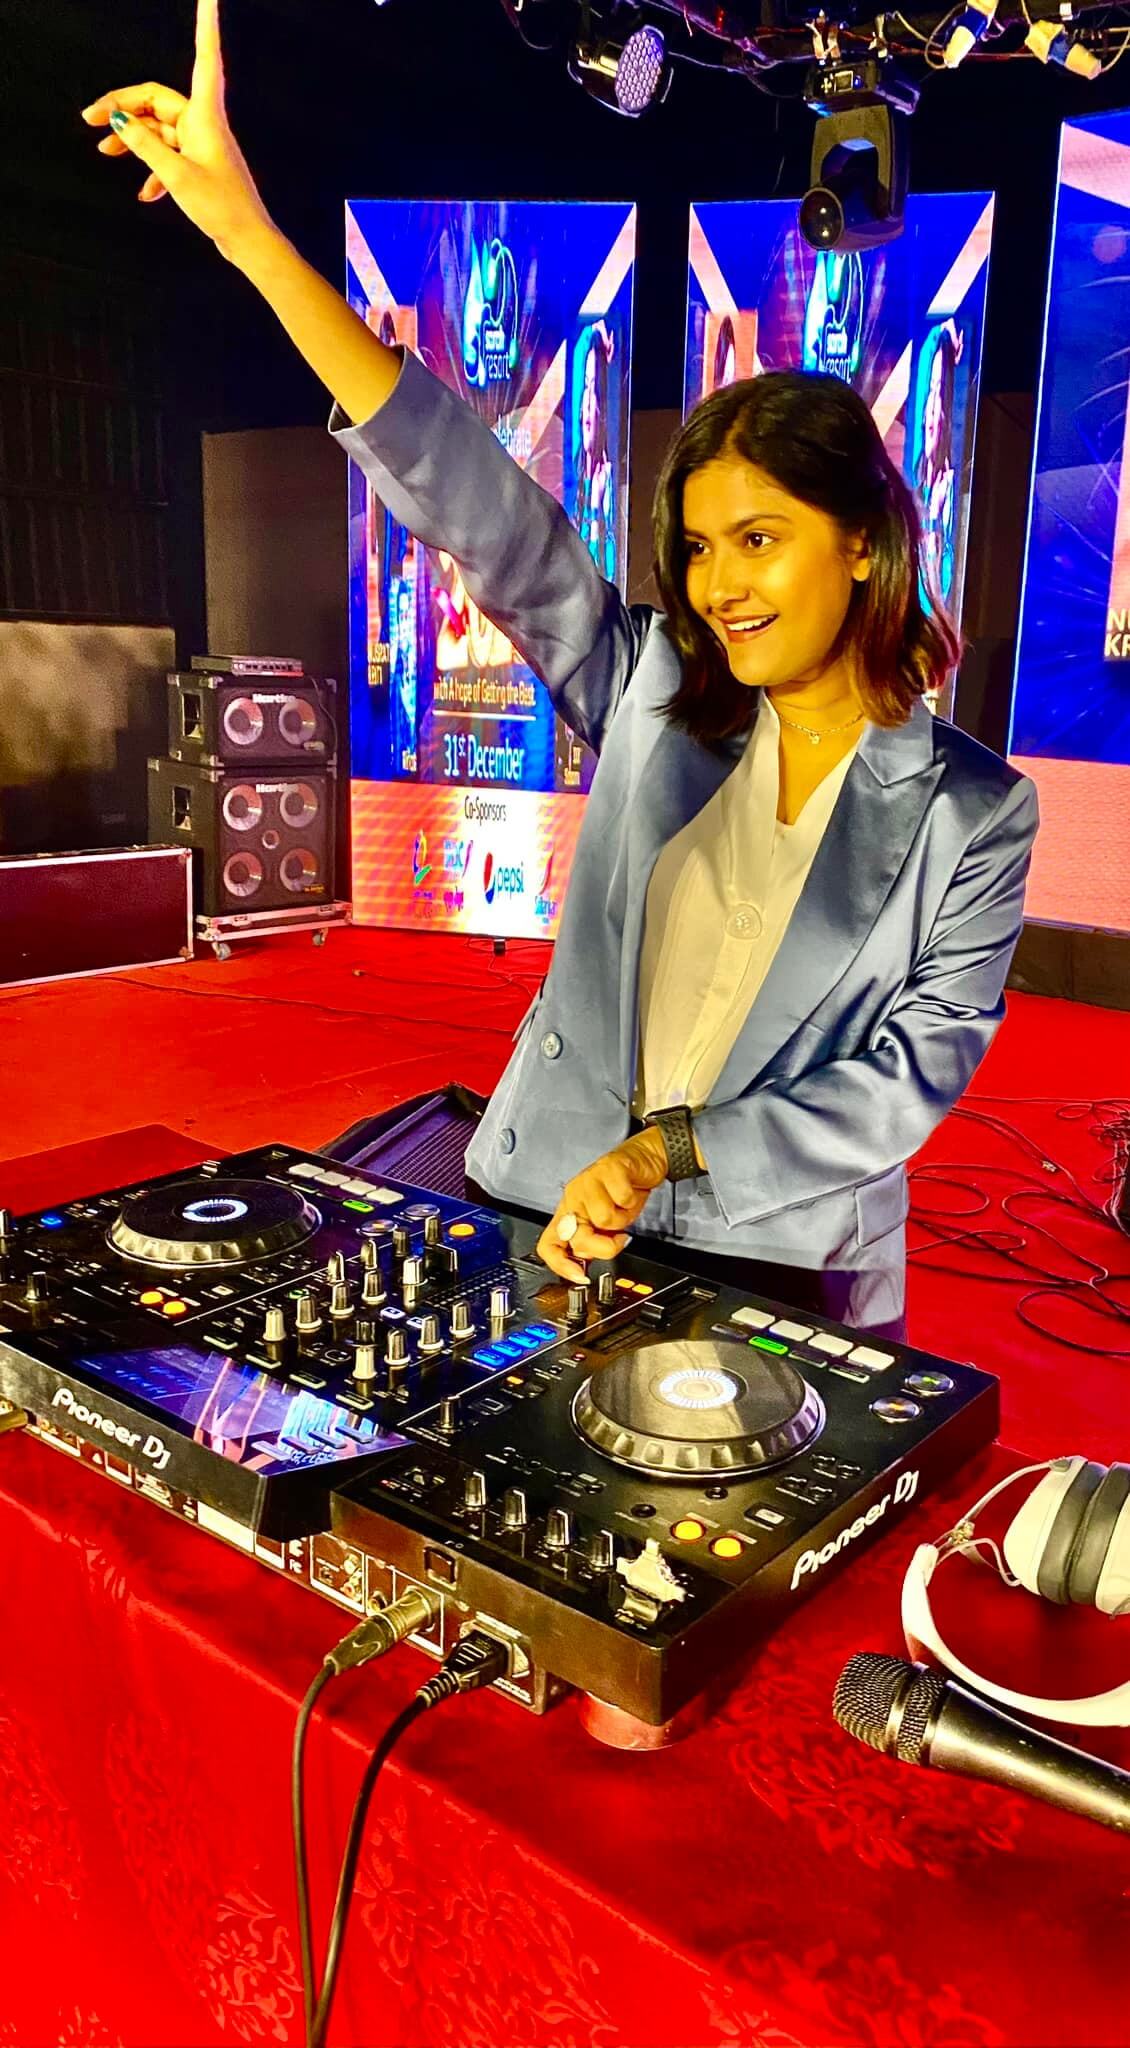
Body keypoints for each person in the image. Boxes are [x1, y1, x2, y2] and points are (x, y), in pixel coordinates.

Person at [84, 1, 1039, 1338]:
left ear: (864, 545)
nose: (717, 584)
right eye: (696, 546)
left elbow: (903, 1082)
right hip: (541, 1207)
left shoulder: (973, 811)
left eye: (759, 540)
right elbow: (478, 504)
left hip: (786, 1259)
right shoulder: (652, 689)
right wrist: (248, 235)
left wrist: (668, 1153)